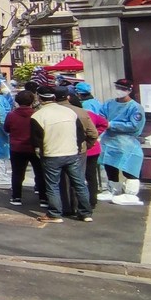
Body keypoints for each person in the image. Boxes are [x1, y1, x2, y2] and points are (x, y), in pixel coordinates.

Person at [29, 87, 92, 222]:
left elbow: (36, 139)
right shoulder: (69, 112)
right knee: (79, 183)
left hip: (51, 154)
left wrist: (40, 151)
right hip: (72, 152)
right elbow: (80, 134)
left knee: (53, 185)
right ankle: (85, 213)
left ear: (39, 98)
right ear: (54, 97)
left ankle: (54, 213)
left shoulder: (37, 115)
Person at [99, 79, 146, 206]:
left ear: (130, 90)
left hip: (127, 143)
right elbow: (100, 117)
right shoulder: (109, 104)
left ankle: (130, 195)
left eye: (123, 88)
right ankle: (113, 190)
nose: (119, 91)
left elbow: (134, 126)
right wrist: (104, 124)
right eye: (117, 87)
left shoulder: (135, 107)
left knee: (129, 168)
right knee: (109, 165)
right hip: (109, 142)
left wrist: (112, 124)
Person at [56, 87, 99, 217]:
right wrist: (87, 145)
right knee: (79, 180)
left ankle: (67, 207)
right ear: (68, 97)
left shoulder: (51, 112)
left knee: (63, 180)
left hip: (59, 149)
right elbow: (93, 133)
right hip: (79, 150)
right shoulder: (82, 112)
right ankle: (84, 210)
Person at [72, 82, 110, 208]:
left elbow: (90, 129)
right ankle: (92, 199)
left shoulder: (82, 112)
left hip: (82, 147)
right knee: (91, 175)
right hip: (94, 145)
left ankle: (81, 202)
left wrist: (88, 140)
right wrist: (96, 136)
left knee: (78, 176)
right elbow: (104, 123)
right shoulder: (95, 103)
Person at [4, 89, 44, 207]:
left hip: (17, 147)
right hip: (35, 147)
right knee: (40, 172)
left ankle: (16, 197)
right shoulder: (37, 114)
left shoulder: (11, 115)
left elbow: (7, 128)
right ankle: (43, 198)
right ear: (32, 101)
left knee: (17, 173)